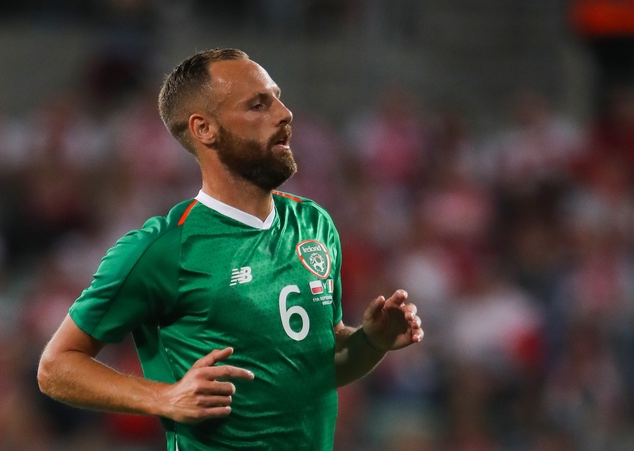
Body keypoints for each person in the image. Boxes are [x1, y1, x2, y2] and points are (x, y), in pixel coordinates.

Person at [37, 48, 424, 450]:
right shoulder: (164, 248)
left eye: (277, 98)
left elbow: (314, 367)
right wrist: (163, 397)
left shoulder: (314, 224)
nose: (284, 113)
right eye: (258, 105)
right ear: (205, 128)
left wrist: (370, 342)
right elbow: (56, 366)